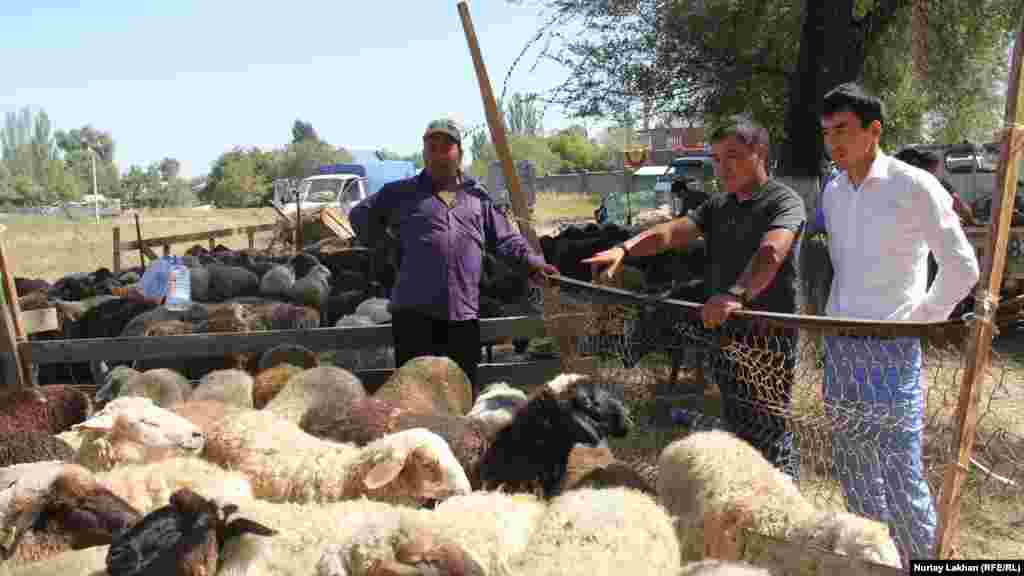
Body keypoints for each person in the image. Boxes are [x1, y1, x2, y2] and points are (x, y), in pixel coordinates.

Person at [582, 115, 807, 480]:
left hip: (769, 337)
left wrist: (735, 295)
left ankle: (786, 500)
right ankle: (750, 498)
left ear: (759, 153)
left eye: (732, 156)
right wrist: (624, 249)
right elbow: (671, 232)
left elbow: (772, 252)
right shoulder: (719, 206)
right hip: (725, 331)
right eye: (716, 158)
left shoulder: (783, 200)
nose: (723, 167)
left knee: (770, 426)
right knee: (737, 420)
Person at [818, 83, 980, 564]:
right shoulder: (833, 191)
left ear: (874, 131)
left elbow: (962, 268)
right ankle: (875, 563)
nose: (834, 142)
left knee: (899, 473)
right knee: (852, 470)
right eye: (827, 132)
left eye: (843, 130)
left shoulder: (913, 185)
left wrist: (919, 322)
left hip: (891, 350)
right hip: (840, 348)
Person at [349, 116, 557, 398]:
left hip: (462, 317)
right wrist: (386, 246)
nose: (437, 155)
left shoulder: (477, 197)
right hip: (414, 317)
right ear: (423, 154)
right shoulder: (399, 193)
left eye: (445, 147)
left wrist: (533, 263)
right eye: (431, 148)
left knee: (460, 397)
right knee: (413, 399)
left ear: (459, 153)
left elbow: (506, 239)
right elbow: (359, 216)